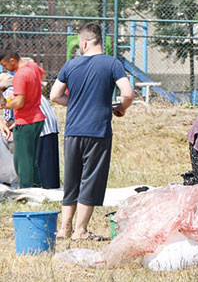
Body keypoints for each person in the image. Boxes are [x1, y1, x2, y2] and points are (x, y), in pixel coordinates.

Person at [50, 22, 135, 240]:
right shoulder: (112, 64)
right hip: (98, 131)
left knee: (71, 179)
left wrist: (75, 103)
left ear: (85, 43)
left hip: (73, 131)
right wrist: (121, 108)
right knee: (91, 179)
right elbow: (128, 93)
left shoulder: (70, 65)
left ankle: (65, 228)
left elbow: (55, 95)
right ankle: (81, 231)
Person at [0, 49, 45, 188]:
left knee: (22, 162)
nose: (5, 68)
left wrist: (4, 105)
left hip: (26, 121)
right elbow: (42, 75)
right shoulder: (32, 66)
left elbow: (19, 102)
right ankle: (37, 188)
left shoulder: (19, 75)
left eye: (5, 65)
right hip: (37, 118)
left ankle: (25, 190)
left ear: (12, 60)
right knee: (32, 160)